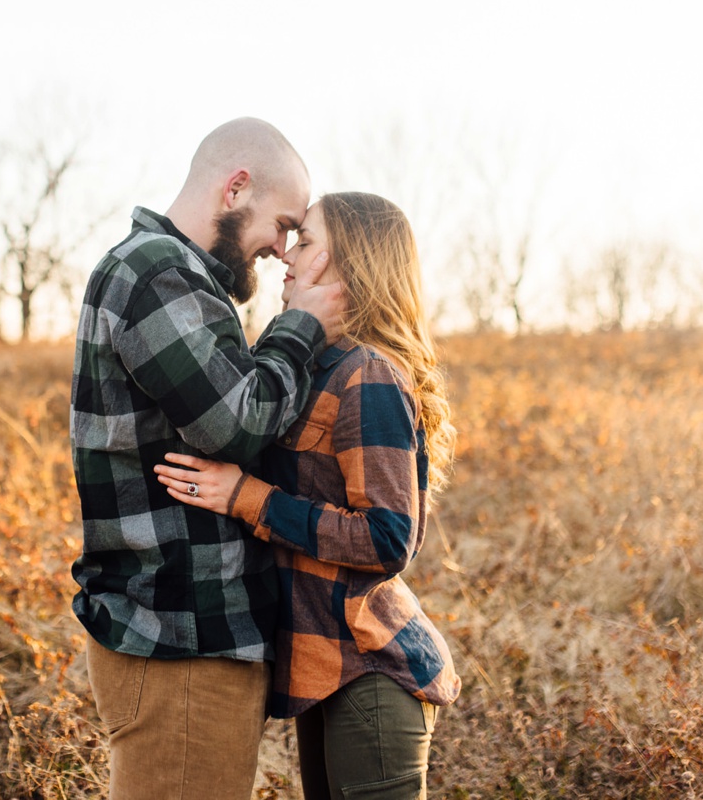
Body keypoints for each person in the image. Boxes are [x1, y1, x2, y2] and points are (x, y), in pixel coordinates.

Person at [69, 117, 346, 800]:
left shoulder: (185, 280)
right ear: (236, 188)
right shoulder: (155, 273)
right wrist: (302, 326)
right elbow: (237, 422)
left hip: (191, 636)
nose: (282, 249)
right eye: (281, 224)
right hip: (180, 639)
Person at [155, 191, 460, 800]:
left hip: (370, 670)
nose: (286, 256)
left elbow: (388, 537)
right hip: (325, 670)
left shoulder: (367, 372)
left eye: (308, 241)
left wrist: (248, 497)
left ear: (352, 261)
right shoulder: (312, 363)